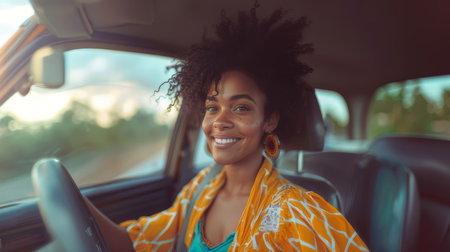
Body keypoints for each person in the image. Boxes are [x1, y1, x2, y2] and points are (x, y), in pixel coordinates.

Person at [89, 8, 369, 252]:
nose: (219, 120)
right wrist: (64, 191)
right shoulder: (200, 189)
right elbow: (133, 243)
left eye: (241, 107)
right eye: (212, 108)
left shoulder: (301, 212)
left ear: (269, 120)